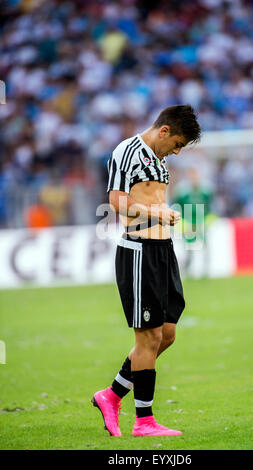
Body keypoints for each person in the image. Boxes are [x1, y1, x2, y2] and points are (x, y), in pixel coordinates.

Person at [92, 105, 201, 437]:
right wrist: (156, 214)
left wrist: (162, 213)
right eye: (178, 143)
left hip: (163, 251)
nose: (178, 151)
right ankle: (144, 421)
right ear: (164, 131)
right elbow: (117, 201)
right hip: (138, 252)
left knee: (166, 335)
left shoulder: (161, 160)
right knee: (148, 336)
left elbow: (153, 198)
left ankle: (111, 395)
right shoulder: (128, 150)